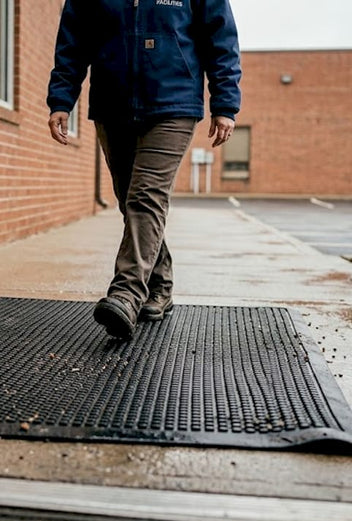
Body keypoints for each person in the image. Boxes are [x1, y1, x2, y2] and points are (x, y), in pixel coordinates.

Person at [47, 0, 242, 340]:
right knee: (129, 199)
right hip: (112, 104)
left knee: (145, 196)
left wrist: (225, 103)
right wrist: (61, 100)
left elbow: (221, 38)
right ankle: (161, 283)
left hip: (173, 104)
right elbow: (73, 41)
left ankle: (126, 293)